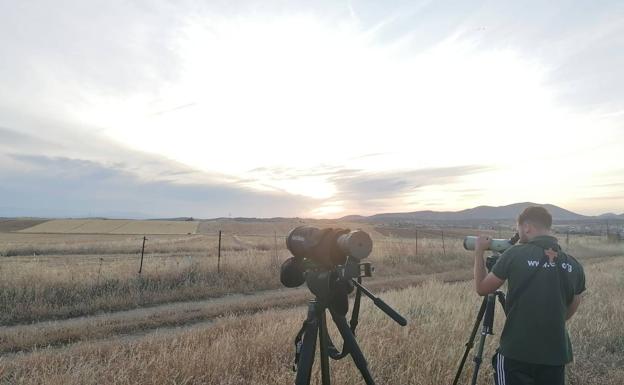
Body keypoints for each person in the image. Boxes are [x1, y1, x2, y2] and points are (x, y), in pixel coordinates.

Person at [473, 206, 586, 385]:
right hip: (555, 355)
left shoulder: (514, 254)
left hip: (516, 353)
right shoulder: (574, 265)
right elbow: (572, 305)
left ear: (526, 227)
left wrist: (479, 251)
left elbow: (481, 288)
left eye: (518, 227)